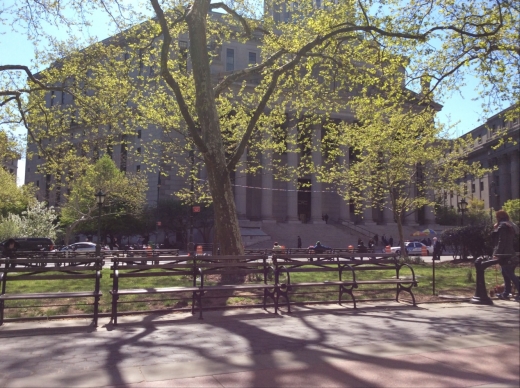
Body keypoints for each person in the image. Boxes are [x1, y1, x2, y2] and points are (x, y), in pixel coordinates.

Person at [492, 210, 519, 301]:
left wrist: (497, 253)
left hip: (504, 254)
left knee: (509, 274)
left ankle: (512, 293)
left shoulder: (502, 226)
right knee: (505, 273)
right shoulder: (509, 225)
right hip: (511, 253)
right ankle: (506, 293)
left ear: (499, 217)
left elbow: (501, 241)